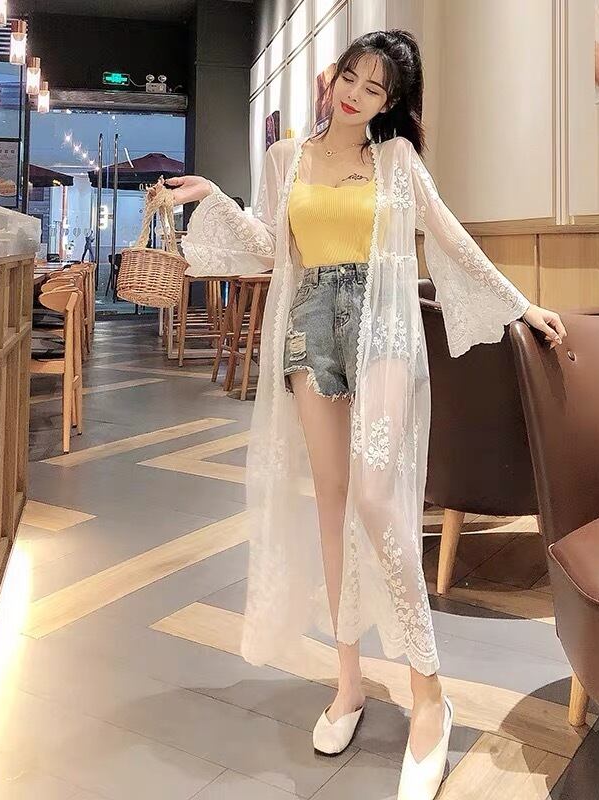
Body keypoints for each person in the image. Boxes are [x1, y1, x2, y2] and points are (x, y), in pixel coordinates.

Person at [169, 29, 566, 800]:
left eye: (374, 88)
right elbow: (268, 246)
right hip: (309, 327)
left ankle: (429, 693)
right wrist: (217, 200)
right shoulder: (287, 157)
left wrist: (520, 304)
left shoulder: (397, 161)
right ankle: (347, 682)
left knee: (379, 498)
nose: (353, 93)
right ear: (335, 76)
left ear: (391, 103)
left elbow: (448, 237)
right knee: (331, 503)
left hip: (381, 328)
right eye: (350, 76)